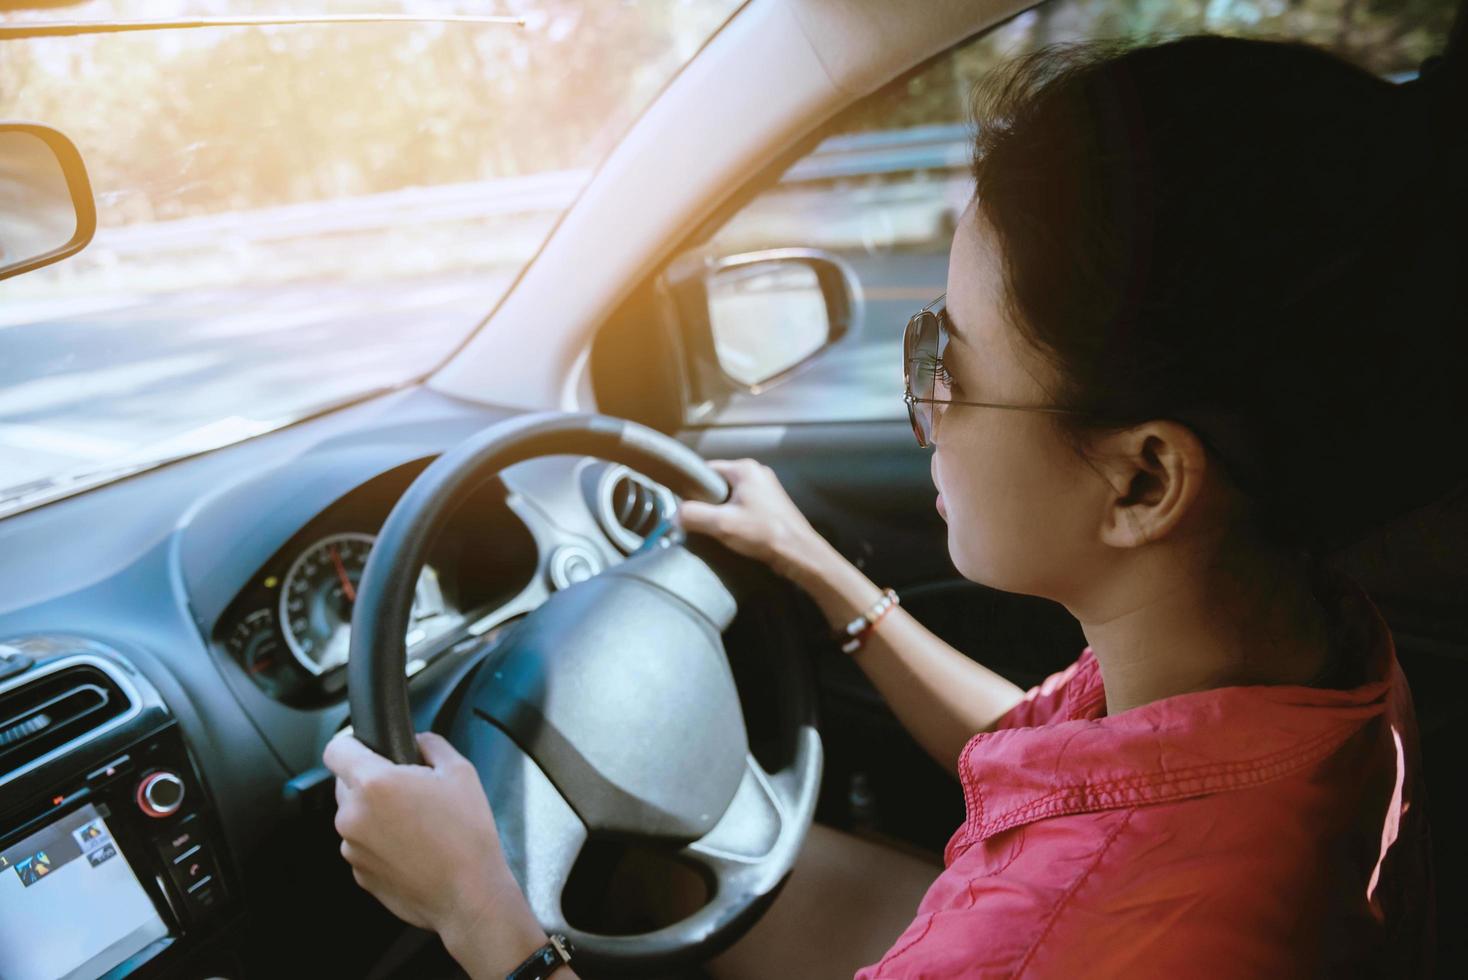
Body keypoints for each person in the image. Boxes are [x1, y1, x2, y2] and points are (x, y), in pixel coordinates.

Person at [324, 34, 1466, 978]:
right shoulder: (1315, 658)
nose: (919, 391)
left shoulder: (1050, 942)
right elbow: (1067, 761)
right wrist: (825, 575)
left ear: (1142, 480)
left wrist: (482, 911)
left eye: (949, 359)